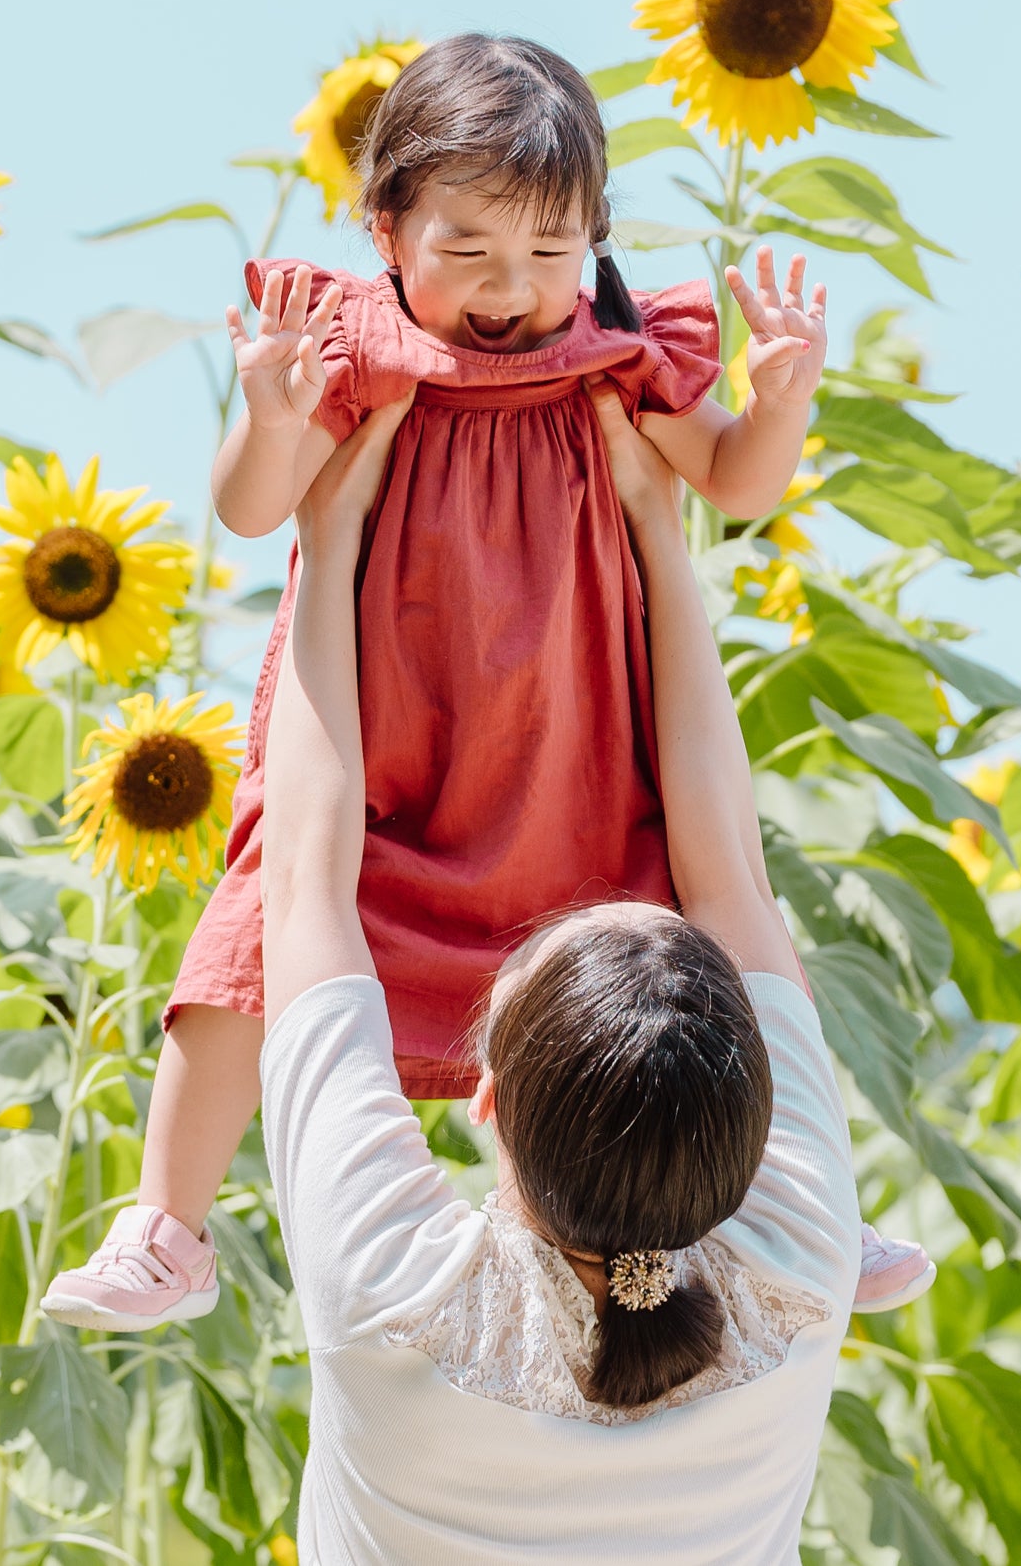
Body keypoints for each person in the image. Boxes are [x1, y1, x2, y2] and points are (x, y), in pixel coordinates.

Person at [42, 33, 928, 1328]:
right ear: (385, 229)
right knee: (246, 949)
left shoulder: (619, 345)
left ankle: (804, 1201)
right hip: (392, 764)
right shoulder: (348, 344)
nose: (511, 288)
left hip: (574, 762)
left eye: (549, 252)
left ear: (598, 240)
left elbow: (732, 478)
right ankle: (163, 1224)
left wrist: (780, 400)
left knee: (688, 981)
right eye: (468, 251)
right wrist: (275, 416)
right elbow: (248, 510)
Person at [255, 383, 857, 1562]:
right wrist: (657, 537)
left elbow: (300, 875)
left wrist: (328, 553)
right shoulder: (800, 1278)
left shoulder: (398, 1303)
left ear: (479, 1095)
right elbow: (727, 863)